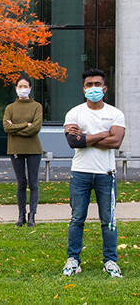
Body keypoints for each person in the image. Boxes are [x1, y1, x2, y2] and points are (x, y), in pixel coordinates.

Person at [61, 68, 125, 278]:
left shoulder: (115, 113)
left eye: (97, 85)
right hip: (80, 173)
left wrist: (86, 137)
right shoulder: (74, 113)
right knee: (77, 218)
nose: (93, 88)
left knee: (108, 220)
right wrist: (102, 134)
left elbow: (116, 142)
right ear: (83, 89)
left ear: (105, 88)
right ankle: (73, 260)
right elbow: (73, 142)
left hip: (106, 174)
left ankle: (110, 261)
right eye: (89, 85)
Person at [2, 74, 43, 227]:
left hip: (33, 149)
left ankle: (32, 215)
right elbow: (7, 128)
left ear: (30, 88)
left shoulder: (37, 106)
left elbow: (36, 128)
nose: (23, 89)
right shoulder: (10, 108)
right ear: (16, 89)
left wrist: (16, 127)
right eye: (20, 86)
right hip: (15, 149)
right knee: (21, 183)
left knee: (33, 183)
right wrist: (26, 124)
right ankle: (21, 216)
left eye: (25, 86)